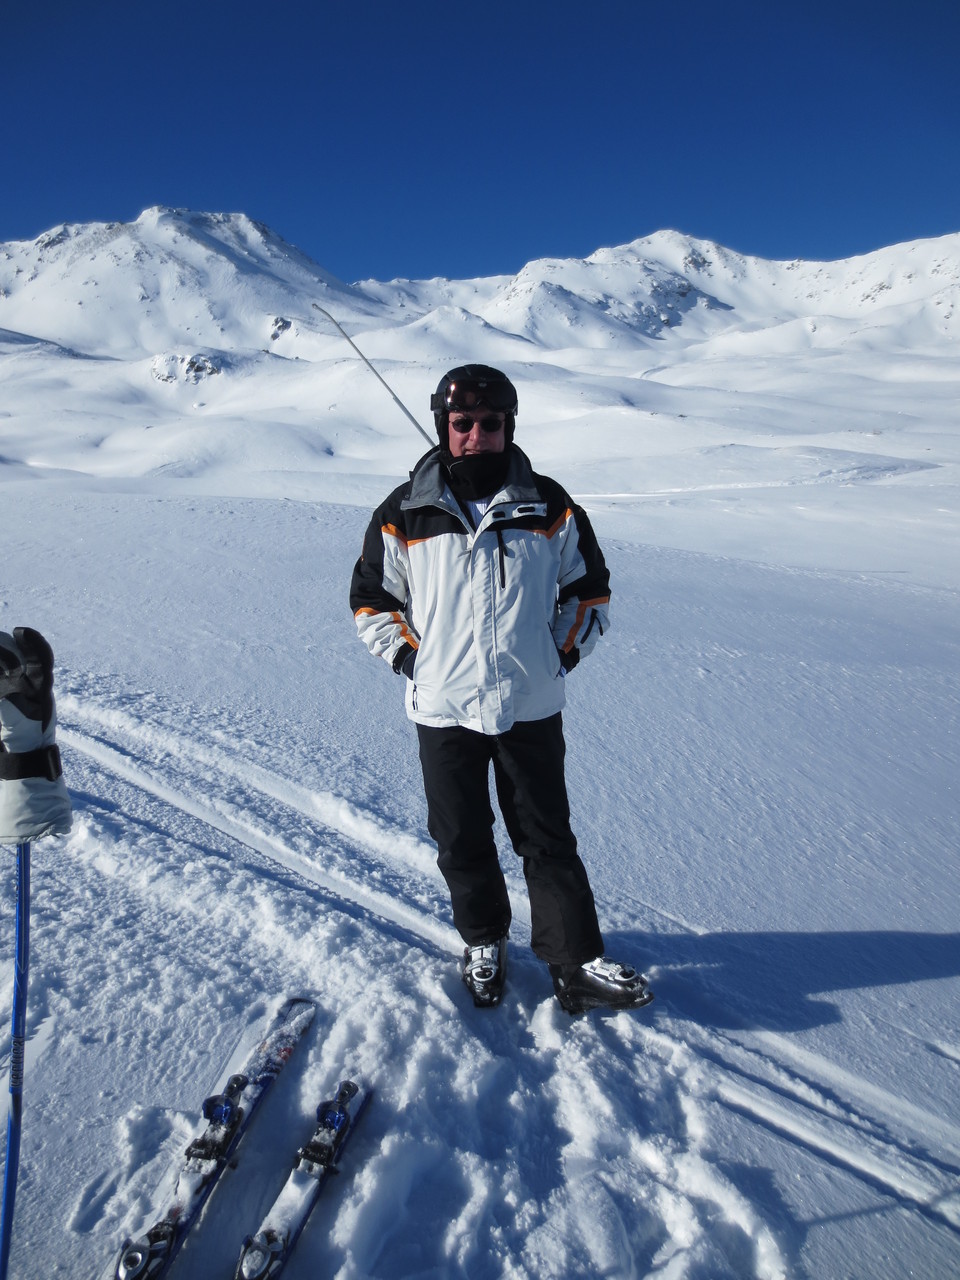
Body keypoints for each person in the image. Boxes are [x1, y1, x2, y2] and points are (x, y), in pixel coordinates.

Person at [349, 365, 652, 1014]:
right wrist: (412, 660)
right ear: (444, 425)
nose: (476, 436)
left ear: (509, 426)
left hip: (530, 704)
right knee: (461, 836)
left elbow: (588, 590)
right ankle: (484, 941)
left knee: (546, 838)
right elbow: (373, 601)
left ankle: (575, 963)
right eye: (463, 424)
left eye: (492, 424)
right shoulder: (405, 511)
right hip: (444, 706)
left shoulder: (548, 504)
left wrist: (558, 654)